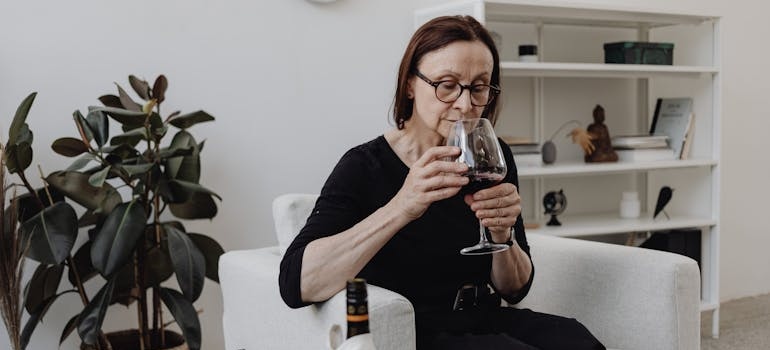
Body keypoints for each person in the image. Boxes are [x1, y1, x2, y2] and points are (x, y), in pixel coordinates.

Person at [279, 15, 605, 350]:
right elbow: (297, 284)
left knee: (579, 342)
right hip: (415, 330)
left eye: (479, 88)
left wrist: (502, 234)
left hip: (483, 318)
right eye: (447, 85)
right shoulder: (364, 166)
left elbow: (515, 289)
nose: (465, 105)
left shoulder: (490, 154)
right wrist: (402, 206)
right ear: (410, 83)